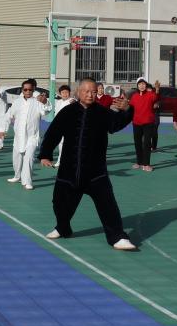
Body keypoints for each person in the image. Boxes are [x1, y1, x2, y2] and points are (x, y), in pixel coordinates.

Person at [39, 78, 136, 251]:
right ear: (78, 92)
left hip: (96, 172)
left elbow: (116, 125)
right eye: (87, 91)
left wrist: (127, 110)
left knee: (108, 205)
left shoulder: (102, 112)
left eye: (94, 92)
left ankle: (117, 237)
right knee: (59, 203)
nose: (90, 95)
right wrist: (45, 154)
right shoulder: (68, 112)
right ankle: (62, 228)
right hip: (69, 170)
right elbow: (53, 133)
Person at [0, 78, 45, 190]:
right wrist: (2, 130)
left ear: (33, 90)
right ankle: (17, 176)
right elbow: (8, 116)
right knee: (17, 159)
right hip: (18, 137)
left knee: (29, 158)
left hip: (32, 137)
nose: (28, 91)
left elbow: (46, 110)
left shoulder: (37, 102)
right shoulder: (17, 102)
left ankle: (27, 181)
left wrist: (45, 102)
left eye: (30, 90)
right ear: (22, 90)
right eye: (25, 89)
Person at [129, 77, 159, 172]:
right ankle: (139, 162)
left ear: (146, 85)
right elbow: (131, 108)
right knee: (137, 143)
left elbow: (156, 97)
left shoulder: (150, 94)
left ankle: (146, 164)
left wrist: (157, 89)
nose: (142, 86)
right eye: (140, 84)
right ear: (137, 86)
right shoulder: (134, 96)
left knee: (147, 143)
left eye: (143, 84)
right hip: (136, 123)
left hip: (148, 123)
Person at [52, 84, 75, 167]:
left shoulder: (72, 100)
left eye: (66, 92)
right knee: (61, 144)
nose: (65, 94)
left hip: (70, 127)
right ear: (60, 94)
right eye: (63, 92)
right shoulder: (58, 102)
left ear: (69, 93)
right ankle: (60, 161)